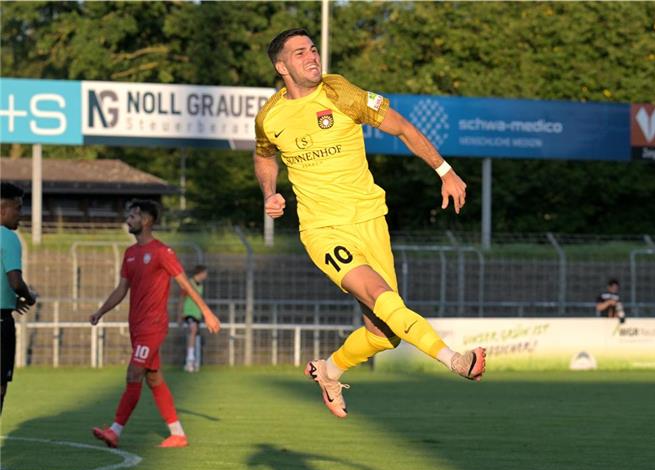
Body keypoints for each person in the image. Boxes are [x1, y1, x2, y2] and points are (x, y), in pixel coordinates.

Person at [253, 28, 486, 419]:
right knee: (381, 294)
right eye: (299, 53)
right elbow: (263, 155)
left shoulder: (341, 93)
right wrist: (269, 193)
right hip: (323, 230)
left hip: (370, 220)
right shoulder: (270, 117)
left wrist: (445, 170)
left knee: (384, 334)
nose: (311, 56)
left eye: (313, 49)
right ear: (281, 67)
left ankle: (329, 370)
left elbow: (403, 128)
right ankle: (455, 361)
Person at [89, 200, 221, 448]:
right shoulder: (129, 254)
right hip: (136, 327)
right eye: (128, 215)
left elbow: (185, 283)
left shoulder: (162, 252)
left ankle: (115, 430)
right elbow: (121, 289)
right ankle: (177, 434)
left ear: (147, 221)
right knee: (154, 378)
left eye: (134, 215)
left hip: (153, 325)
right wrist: (100, 311)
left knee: (134, 372)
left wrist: (207, 312)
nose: (128, 219)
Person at [1, 183, 37, 414]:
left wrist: (7, 300)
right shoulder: (8, 237)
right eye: (18, 208)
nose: (21, 215)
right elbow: (15, 281)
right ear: (2, 208)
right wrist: (28, 296)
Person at [178, 264, 208, 372]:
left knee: (194, 334)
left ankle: (193, 360)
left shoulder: (200, 285)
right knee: (193, 330)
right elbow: (181, 299)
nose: (206, 275)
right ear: (200, 273)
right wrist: (180, 314)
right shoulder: (188, 283)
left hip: (197, 314)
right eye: (205, 273)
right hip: (188, 313)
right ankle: (190, 360)